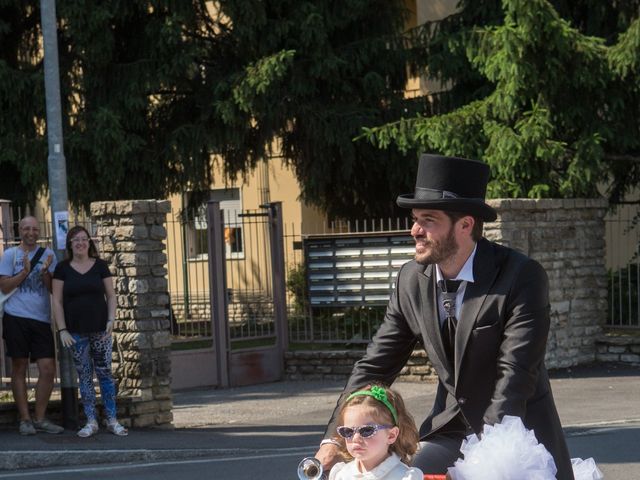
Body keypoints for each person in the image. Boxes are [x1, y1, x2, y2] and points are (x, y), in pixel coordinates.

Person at [316, 154, 574, 480]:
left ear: (465, 225)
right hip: (449, 429)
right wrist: (334, 440)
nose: (415, 230)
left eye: (428, 220)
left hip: (516, 434)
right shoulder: (412, 280)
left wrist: (488, 461)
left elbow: (515, 377)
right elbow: (375, 366)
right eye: (414, 218)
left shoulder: (521, 276)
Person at [51, 225, 127, 438]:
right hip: (75, 332)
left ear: (89, 243)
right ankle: (91, 420)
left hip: (101, 330)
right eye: (75, 240)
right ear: (70, 245)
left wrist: (111, 319)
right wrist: (62, 329)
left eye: (84, 239)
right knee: (84, 375)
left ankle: (112, 419)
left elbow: (111, 295)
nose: (80, 243)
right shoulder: (62, 268)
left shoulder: (100, 266)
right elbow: (56, 301)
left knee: (105, 373)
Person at [0, 216, 63, 435]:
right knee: (20, 366)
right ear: (20, 230)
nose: (31, 232)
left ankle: (40, 418)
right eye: (26, 228)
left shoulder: (49, 255)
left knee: (48, 369)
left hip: (41, 319)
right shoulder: (10, 255)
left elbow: (53, 288)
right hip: (15, 317)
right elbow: (5, 287)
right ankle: (25, 419)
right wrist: (25, 272)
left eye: (35, 229)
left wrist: (45, 272)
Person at [328, 384, 423, 480]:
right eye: (347, 431)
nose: (355, 438)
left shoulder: (403, 477)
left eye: (366, 430)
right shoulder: (342, 474)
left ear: (391, 435)